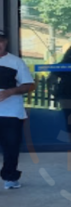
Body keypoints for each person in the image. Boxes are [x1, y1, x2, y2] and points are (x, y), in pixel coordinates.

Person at [0, 32, 36, 190]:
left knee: (11, 147)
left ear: (6, 42)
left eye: (0, 41)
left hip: (11, 112)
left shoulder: (16, 62)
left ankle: (10, 176)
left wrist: (10, 92)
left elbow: (29, 85)